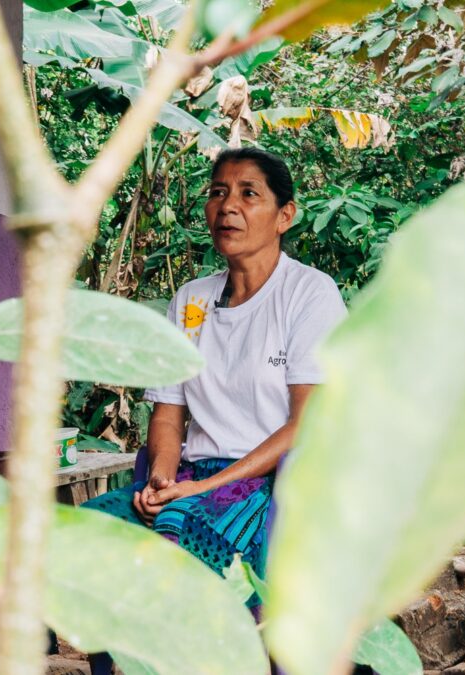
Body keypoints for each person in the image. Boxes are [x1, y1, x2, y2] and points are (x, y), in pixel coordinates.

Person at [82, 147, 347, 580]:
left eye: (249, 194)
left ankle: (205, 644)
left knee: (173, 528)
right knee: (84, 528)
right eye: (219, 192)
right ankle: (98, 647)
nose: (228, 207)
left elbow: (306, 424)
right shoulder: (191, 299)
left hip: (268, 485)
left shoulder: (309, 295)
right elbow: (168, 415)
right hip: (190, 478)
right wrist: (161, 482)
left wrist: (203, 489)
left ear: (285, 216)